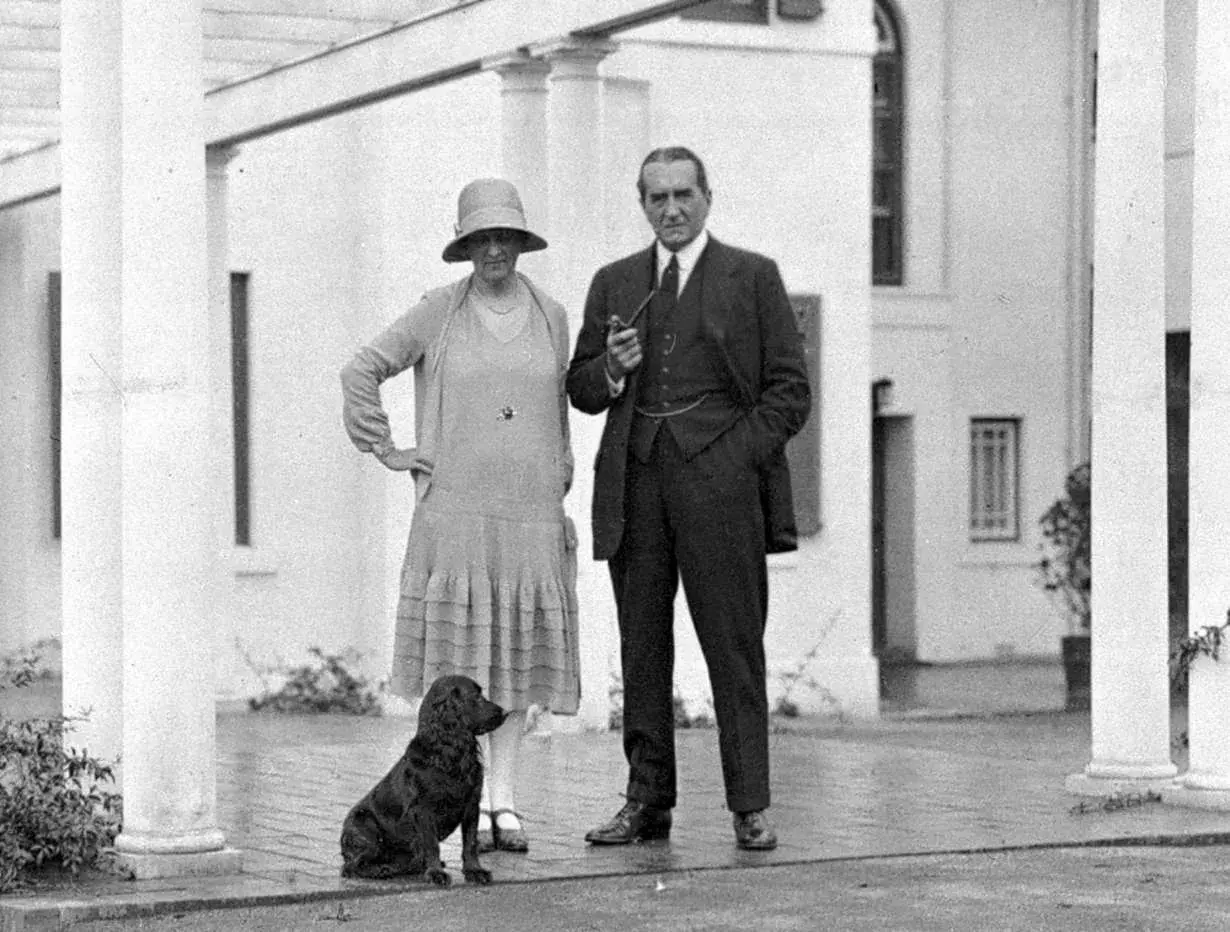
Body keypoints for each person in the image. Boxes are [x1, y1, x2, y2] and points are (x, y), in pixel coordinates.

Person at [566, 147, 810, 851]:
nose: (671, 209)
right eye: (656, 198)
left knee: (733, 649)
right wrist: (610, 369)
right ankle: (647, 804)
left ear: (708, 197)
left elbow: (790, 393)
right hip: (637, 485)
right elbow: (581, 389)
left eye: (683, 195)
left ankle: (749, 806)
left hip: (721, 491)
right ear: (641, 204)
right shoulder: (613, 283)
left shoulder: (753, 277)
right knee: (642, 650)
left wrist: (733, 460)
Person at [341, 178, 580, 854]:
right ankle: (465, 807)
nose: (495, 248)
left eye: (506, 235)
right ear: (466, 245)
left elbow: (557, 413)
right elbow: (361, 370)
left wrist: (559, 482)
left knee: (517, 666)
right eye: (482, 237)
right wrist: (389, 450)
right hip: (458, 515)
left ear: (522, 242)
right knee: (467, 663)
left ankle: (504, 802)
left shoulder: (552, 314)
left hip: (531, 513)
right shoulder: (437, 312)